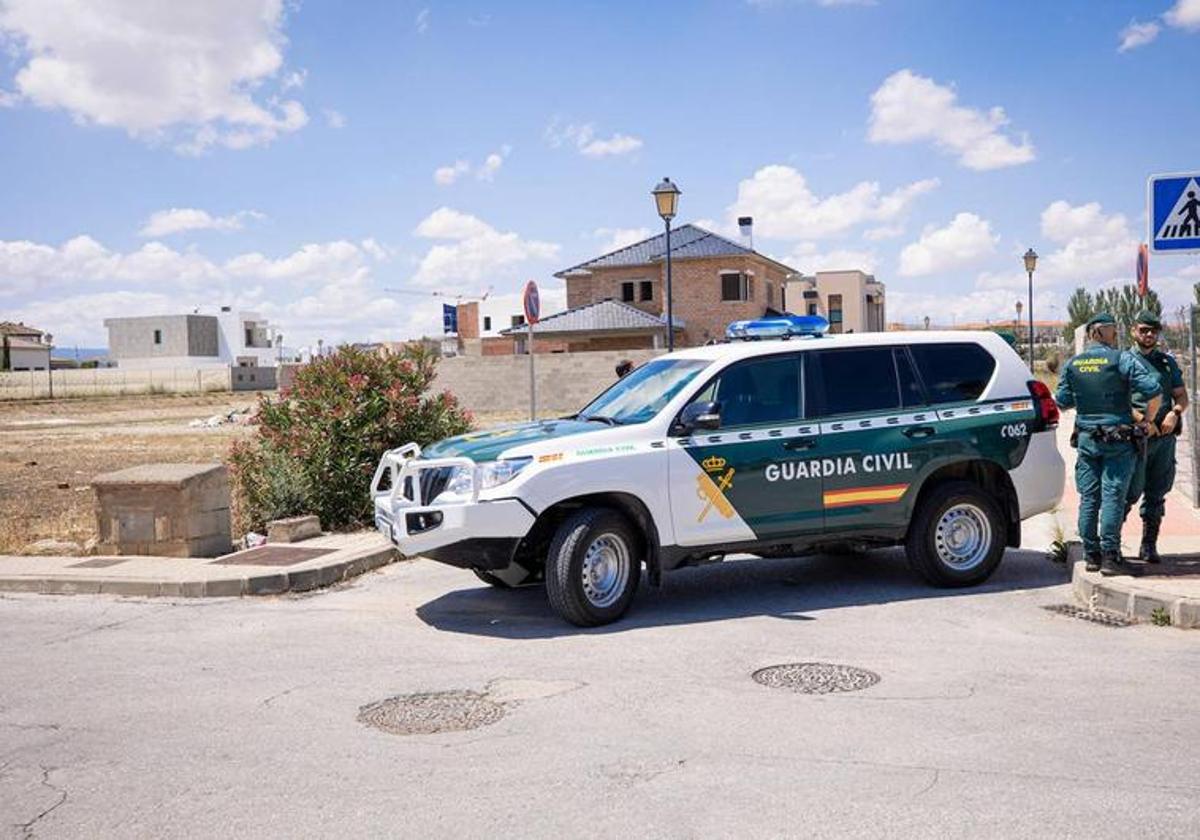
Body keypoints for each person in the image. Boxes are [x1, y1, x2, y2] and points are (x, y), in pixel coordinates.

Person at [1054, 312, 1162, 576]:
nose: (1116, 334)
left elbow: (1063, 401)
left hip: (1087, 439)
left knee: (1089, 497)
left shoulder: (1073, 363)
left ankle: (1091, 555)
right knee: (1113, 494)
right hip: (1118, 440)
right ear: (1099, 332)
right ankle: (1111, 556)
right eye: (1113, 330)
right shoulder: (1121, 359)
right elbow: (1154, 390)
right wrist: (1148, 420)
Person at [1124, 309, 1190, 563]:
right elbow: (1118, 401)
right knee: (1128, 492)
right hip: (1136, 438)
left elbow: (1181, 396)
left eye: (1153, 330)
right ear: (1134, 331)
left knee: (1157, 491)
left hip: (1163, 438)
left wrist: (1174, 412)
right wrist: (1144, 421)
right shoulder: (1124, 361)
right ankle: (1112, 547)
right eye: (1144, 330)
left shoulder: (1166, 362)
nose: (1149, 334)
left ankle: (1148, 544)